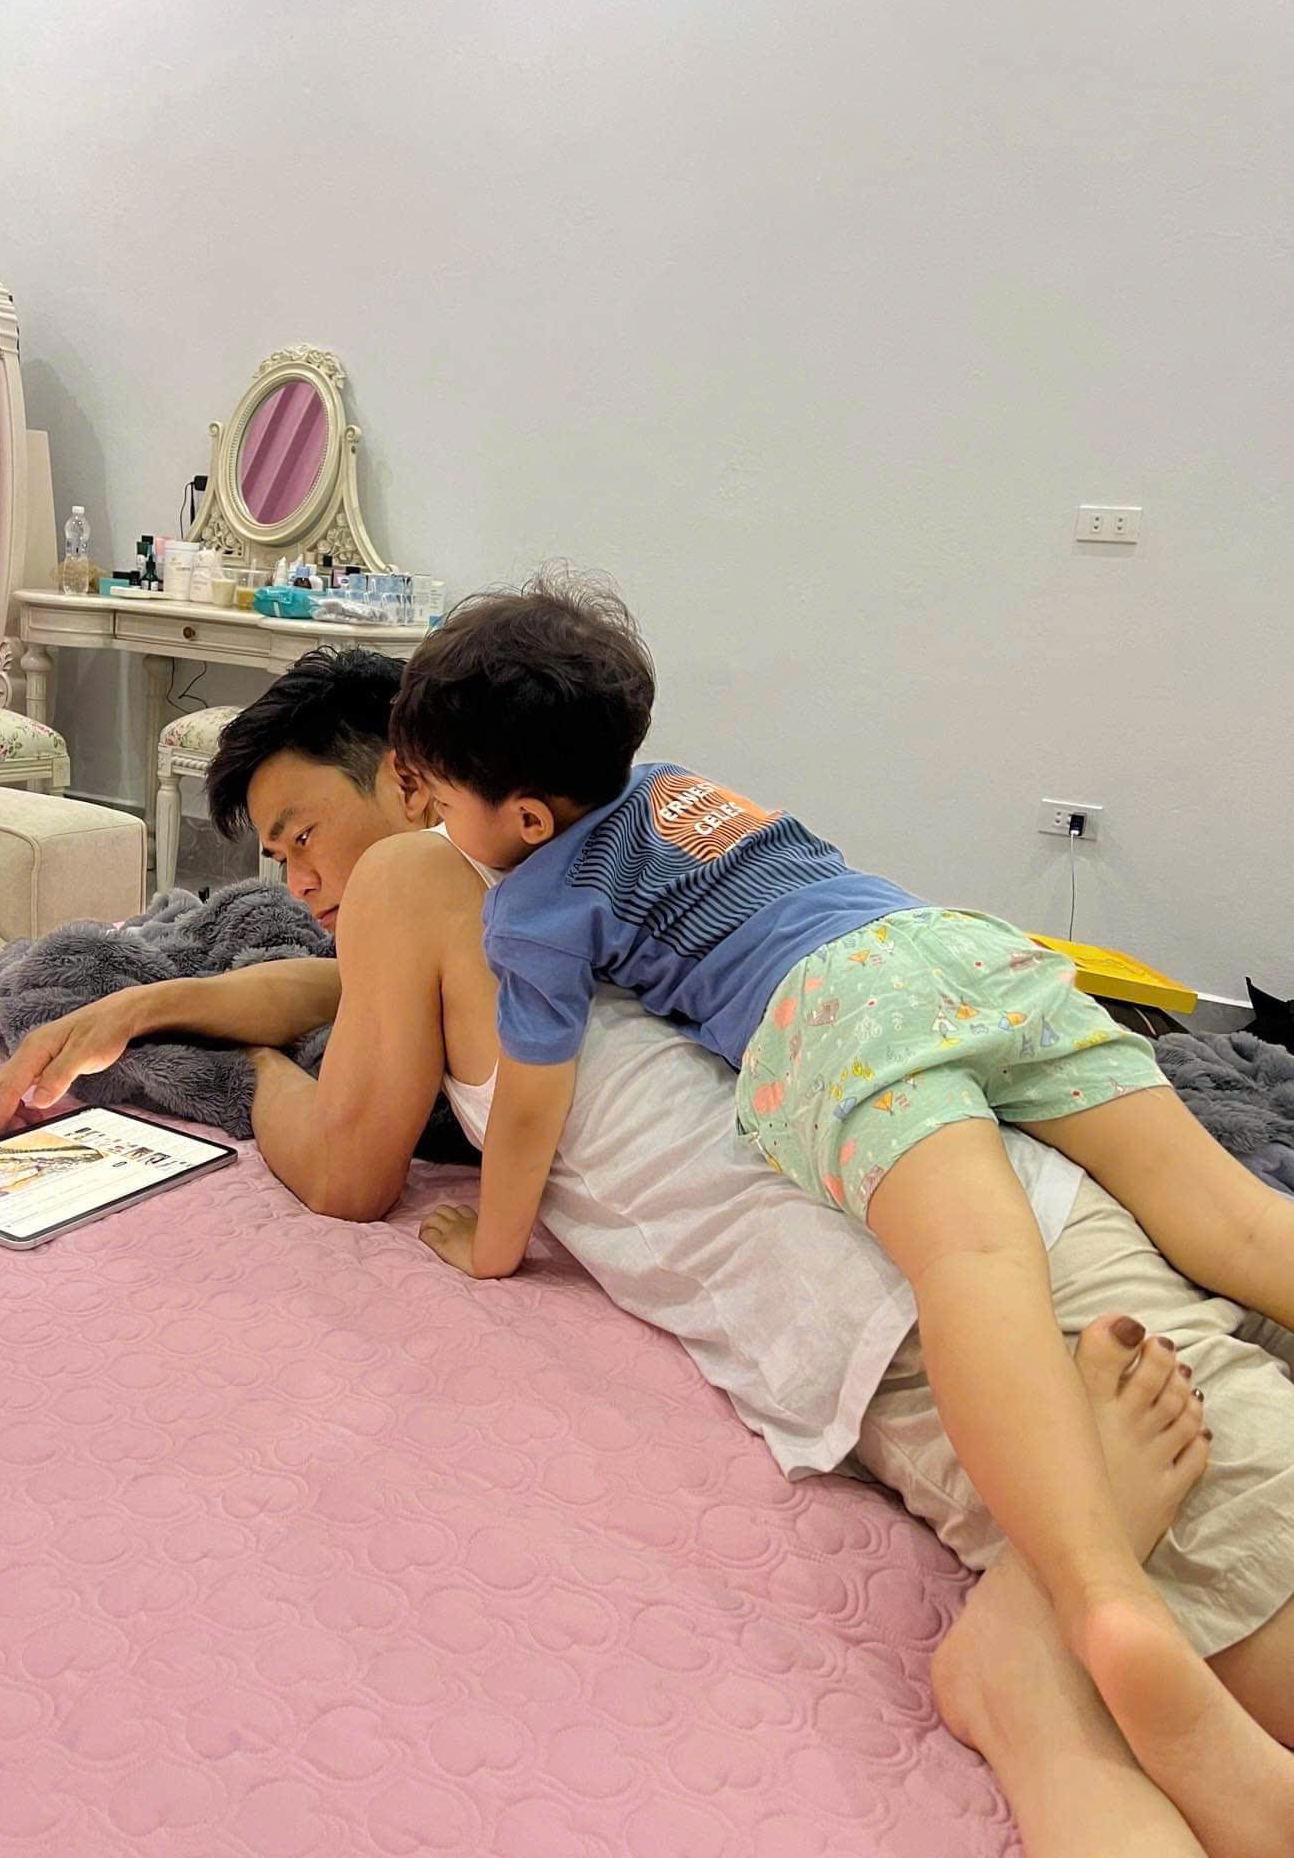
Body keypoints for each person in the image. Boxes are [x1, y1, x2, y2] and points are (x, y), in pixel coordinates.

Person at [0, 645, 1294, 1858]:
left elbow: (341, 1168)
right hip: (983, 1235)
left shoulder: (420, 880)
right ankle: (1031, 1663)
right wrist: (168, 998)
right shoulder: (578, 862)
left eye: (301, 836)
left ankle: (1033, 1660)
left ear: (409, 774)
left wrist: (251, 1071)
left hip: (940, 1310)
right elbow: (343, 986)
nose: (299, 883)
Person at [385, 574, 1294, 1854]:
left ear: (526, 816)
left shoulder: (532, 901)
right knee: (1237, 1220)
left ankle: (1100, 1599)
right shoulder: (686, 789)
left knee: (977, 1256)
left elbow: (532, 1105)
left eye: (439, 801)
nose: (430, 824)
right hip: (962, 951)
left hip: (838, 1011)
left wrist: (492, 1246)